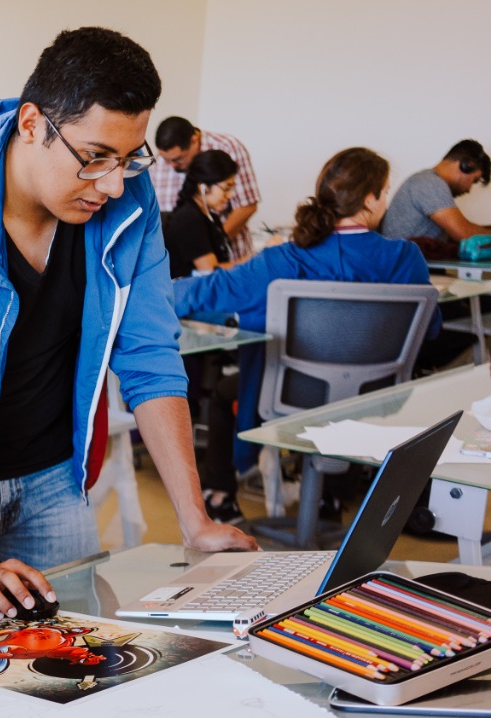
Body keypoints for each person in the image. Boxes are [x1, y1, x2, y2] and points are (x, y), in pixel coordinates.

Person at [0, 27, 256, 620]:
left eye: (129, 158)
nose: (113, 184)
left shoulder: (130, 200)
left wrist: (194, 520)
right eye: (94, 158)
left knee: (80, 658)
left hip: (55, 482)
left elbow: (149, 355)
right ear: (30, 125)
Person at [174, 147, 438, 522]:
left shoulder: (283, 258)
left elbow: (207, 289)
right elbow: (430, 330)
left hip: (290, 395)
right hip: (373, 398)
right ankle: (330, 501)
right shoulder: (405, 258)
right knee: (345, 402)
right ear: (369, 199)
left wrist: (142, 297)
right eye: (385, 192)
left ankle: (221, 495)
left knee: (222, 395)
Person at [151, 116, 260, 260]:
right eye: (166, 160)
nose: (172, 166)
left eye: (178, 159)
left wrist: (213, 247)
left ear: (194, 140)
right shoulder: (157, 165)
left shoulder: (228, 147)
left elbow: (246, 205)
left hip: (226, 256)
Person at [381, 139, 491, 243]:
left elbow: (465, 228)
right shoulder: (430, 183)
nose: (469, 189)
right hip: (403, 261)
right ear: (467, 165)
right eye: (474, 180)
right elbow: (464, 233)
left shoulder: (425, 180)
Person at [164, 149, 239, 278]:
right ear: (202, 187)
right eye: (226, 188)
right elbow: (210, 271)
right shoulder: (188, 219)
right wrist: (257, 259)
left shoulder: (210, 217)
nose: (230, 195)